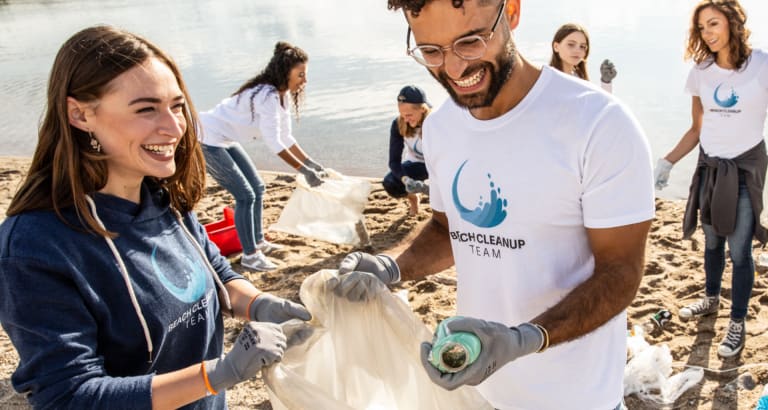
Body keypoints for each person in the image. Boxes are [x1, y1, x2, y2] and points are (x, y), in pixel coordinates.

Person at [333, 0, 655, 408]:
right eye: (431, 51)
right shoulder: (443, 127)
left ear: (513, 13)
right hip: (478, 386)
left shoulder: (598, 124)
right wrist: (391, 266)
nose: (452, 69)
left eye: (469, 42)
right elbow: (450, 230)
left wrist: (526, 339)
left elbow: (621, 271)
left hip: (576, 393)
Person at [0, 26, 312, 409]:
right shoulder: (36, 246)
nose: (174, 127)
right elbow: (70, 396)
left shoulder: (162, 197)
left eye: (177, 106)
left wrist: (259, 303)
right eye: (146, 109)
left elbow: (218, 276)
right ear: (80, 114)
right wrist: (216, 374)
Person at [654, 0, 768, 358]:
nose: (708, 34)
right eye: (702, 27)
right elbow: (697, 128)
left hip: (746, 168)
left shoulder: (762, 64)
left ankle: (737, 321)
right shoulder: (701, 70)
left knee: (740, 249)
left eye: (714, 24)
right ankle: (710, 297)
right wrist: (668, 161)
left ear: (733, 23)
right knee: (712, 241)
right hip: (710, 167)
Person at [198, 41, 327, 272]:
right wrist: (304, 171)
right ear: (285, 71)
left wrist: (310, 162)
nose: (304, 81)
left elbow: (285, 136)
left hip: (225, 138)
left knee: (258, 187)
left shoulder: (282, 95)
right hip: (208, 138)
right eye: (300, 75)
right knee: (245, 195)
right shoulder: (266, 96)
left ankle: (257, 241)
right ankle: (250, 256)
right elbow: (274, 143)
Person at [382, 85, 432, 216]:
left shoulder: (435, 122)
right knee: (390, 183)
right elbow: (394, 161)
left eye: (409, 115)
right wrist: (405, 180)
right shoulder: (398, 124)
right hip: (418, 164)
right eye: (402, 115)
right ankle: (413, 199)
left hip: (439, 164)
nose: (406, 119)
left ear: (422, 109)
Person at [549, 23, 617, 93]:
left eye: (582, 46)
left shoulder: (579, 78)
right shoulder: (548, 80)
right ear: (556, 47)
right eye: (571, 44)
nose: (577, 50)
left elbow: (599, 103)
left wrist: (606, 82)